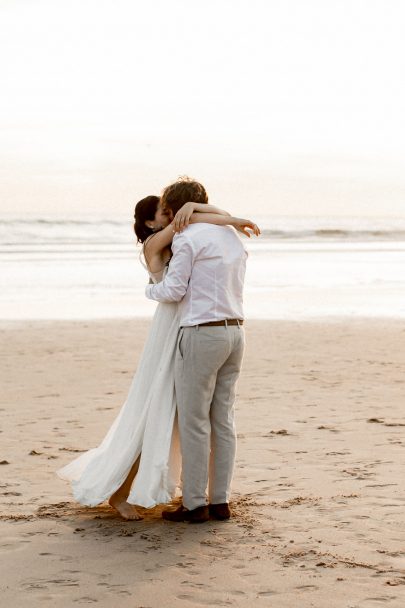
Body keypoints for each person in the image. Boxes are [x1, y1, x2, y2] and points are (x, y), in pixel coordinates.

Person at [57, 192, 259, 520]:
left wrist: (196, 208)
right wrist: (209, 214)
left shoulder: (185, 233)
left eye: (170, 211)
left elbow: (201, 219)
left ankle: (200, 499)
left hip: (189, 329)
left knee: (182, 417)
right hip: (173, 331)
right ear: (151, 222)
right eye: (162, 213)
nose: (170, 217)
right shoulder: (156, 243)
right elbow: (201, 223)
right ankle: (124, 492)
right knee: (156, 411)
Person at [145, 177, 254, 523]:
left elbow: (174, 289)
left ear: (174, 210)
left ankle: (194, 503)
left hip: (202, 334)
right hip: (236, 332)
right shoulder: (232, 237)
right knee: (223, 419)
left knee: (194, 422)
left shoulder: (188, 238)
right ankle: (220, 501)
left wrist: (149, 289)